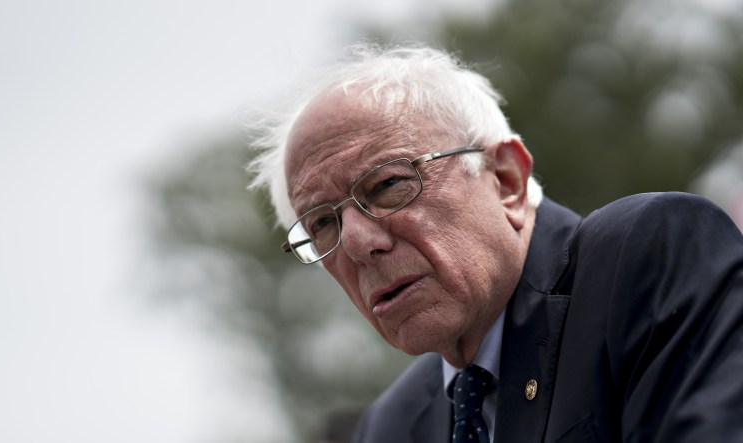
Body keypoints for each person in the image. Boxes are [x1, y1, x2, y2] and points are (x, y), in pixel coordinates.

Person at [248, 43, 743, 442]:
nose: (357, 243)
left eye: (387, 186)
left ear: (505, 179)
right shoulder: (390, 427)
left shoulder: (646, 257)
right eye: (323, 226)